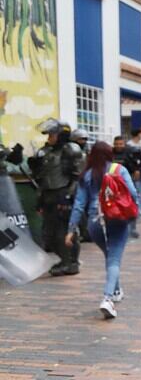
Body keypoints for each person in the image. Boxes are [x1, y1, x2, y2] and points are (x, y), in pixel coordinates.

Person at [65, 141, 138, 319]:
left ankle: (116, 289)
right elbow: (133, 193)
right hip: (117, 219)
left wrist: (71, 229)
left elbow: (79, 204)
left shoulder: (87, 175)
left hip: (94, 222)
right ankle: (107, 298)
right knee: (114, 258)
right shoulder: (119, 169)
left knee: (109, 255)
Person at [28, 118, 85, 276]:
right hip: (48, 195)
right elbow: (41, 175)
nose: (49, 138)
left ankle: (71, 262)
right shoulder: (46, 151)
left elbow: (77, 177)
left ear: (61, 135)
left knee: (63, 232)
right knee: (48, 233)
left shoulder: (71, 150)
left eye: (52, 135)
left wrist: (68, 196)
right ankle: (63, 259)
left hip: (63, 194)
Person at [114, 135, 141, 239]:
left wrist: (138, 170)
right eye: (116, 144)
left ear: (124, 144)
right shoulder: (111, 153)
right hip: (113, 183)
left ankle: (132, 229)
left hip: (129, 182)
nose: (118, 146)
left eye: (121, 144)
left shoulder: (131, 151)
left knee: (131, 205)